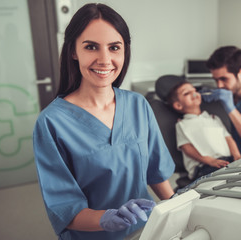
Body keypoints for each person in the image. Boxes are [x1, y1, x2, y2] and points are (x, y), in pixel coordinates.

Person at [32, 3, 175, 240]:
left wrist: (177, 206)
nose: (105, 59)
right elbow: (65, 208)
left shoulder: (138, 104)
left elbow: (156, 171)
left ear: (124, 51)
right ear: (73, 51)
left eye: (114, 47)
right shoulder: (51, 123)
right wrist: (105, 219)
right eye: (91, 47)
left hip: (146, 230)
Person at [161, 77, 241, 180]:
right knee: (227, 179)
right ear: (178, 105)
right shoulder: (182, 125)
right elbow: (186, 148)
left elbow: (228, 139)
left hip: (228, 161)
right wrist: (209, 160)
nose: (194, 94)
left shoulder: (214, 118)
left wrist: (237, 156)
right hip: (205, 166)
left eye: (194, 90)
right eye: (187, 93)